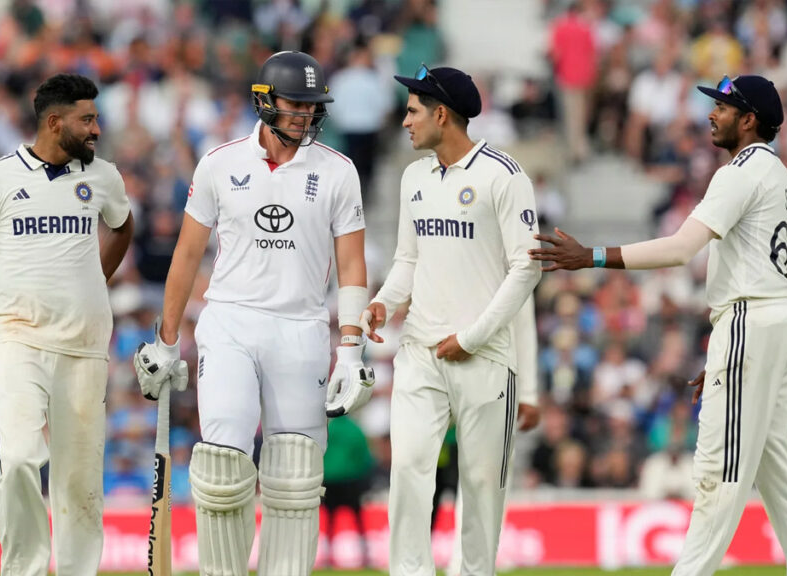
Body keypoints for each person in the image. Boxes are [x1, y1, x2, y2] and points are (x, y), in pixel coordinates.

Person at [529, 74, 787, 576]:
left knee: (717, 470)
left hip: (751, 320)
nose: (711, 114)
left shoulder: (738, 173)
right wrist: (729, 354)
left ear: (748, 120)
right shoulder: (780, 176)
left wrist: (591, 256)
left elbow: (682, 248)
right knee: (774, 465)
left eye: (723, 107)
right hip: (777, 319)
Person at [133, 51, 373, 576]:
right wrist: (166, 341)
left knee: (295, 475)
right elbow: (187, 254)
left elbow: (352, 264)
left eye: (311, 107)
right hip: (230, 322)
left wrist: (352, 349)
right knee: (222, 463)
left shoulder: (338, 171)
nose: (304, 116)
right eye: (294, 105)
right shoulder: (219, 163)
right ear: (264, 102)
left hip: (302, 327)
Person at [0, 73, 135, 576]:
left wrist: (94, 282)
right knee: (19, 457)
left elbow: (123, 227)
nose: (96, 129)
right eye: (87, 119)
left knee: (79, 480)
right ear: (54, 122)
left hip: (84, 345)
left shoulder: (103, 177)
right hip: (18, 338)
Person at [360, 64, 542, 575]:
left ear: (441, 114)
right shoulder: (414, 176)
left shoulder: (504, 176)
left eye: (413, 112)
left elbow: (527, 268)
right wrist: (384, 302)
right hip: (420, 351)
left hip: (485, 355)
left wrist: (472, 337)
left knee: (482, 487)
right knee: (407, 470)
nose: (405, 122)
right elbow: (408, 259)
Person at [446, 297, 542, 575]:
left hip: (496, 376)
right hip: (440, 369)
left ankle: (472, 561)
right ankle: (411, 562)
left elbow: (523, 325)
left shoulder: (514, 270)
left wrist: (528, 392)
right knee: (417, 468)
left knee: (489, 475)